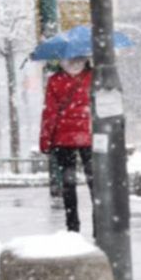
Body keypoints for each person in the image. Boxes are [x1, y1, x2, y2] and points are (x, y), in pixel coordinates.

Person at [39, 57, 94, 233]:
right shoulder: (94, 76)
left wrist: (45, 139)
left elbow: (50, 112)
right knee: (95, 180)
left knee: (68, 183)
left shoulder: (55, 80)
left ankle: (72, 225)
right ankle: (100, 222)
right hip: (90, 135)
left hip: (63, 137)